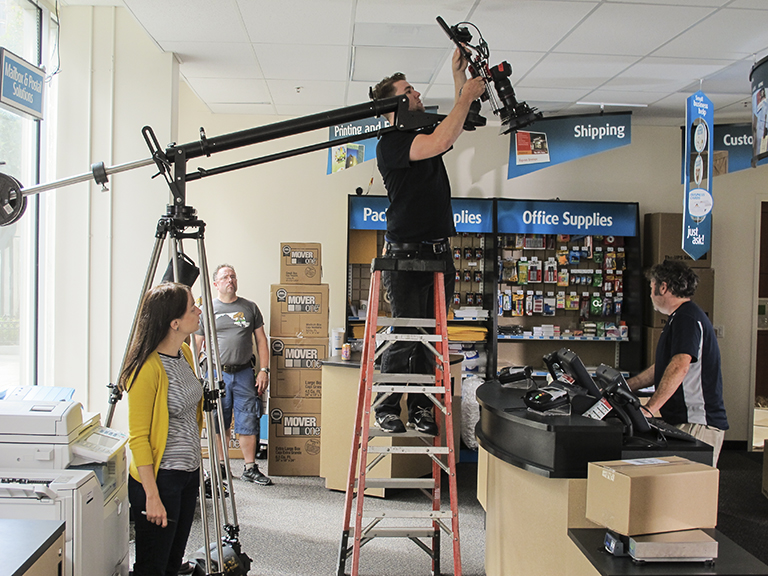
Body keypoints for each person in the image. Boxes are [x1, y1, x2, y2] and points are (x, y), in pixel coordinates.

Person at [369, 49, 486, 435]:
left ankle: (420, 409)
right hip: (404, 257)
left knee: (431, 339)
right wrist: (465, 94)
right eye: (409, 90)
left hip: (439, 254)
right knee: (406, 334)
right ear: (395, 104)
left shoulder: (422, 131)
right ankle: (386, 406)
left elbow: (455, 126)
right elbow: (442, 140)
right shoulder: (391, 142)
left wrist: (459, 78)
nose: (417, 93)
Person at [121, 282, 203, 576]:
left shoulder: (184, 353)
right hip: (160, 479)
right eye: (192, 307)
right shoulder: (146, 369)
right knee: (152, 567)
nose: (198, 311)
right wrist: (151, 495)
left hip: (187, 474)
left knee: (171, 563)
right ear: (174, 322)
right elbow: (139, 438)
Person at [627, 260, 728, 466]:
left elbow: (679, 366)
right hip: (685, 421)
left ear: (663, 287)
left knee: (690, 492)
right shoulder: (679, 318)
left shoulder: (687, 318)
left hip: (698, 423)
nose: (650, 294)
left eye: (651, 287)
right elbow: (663, 368)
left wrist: (650, 409)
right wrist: (627, 386)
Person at [196, 264, 272, 485]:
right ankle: (220, 467)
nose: (230, 280)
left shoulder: (249, 308)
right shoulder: (207, 310)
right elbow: (197, 343)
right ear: (216, 284)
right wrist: (195, 373)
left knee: (248, 420)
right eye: (225, 277)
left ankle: (250, 468)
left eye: (233, 276)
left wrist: (263, 371)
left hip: (244, 374)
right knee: (219, 420)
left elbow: (261, 341)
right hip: (216, 374)